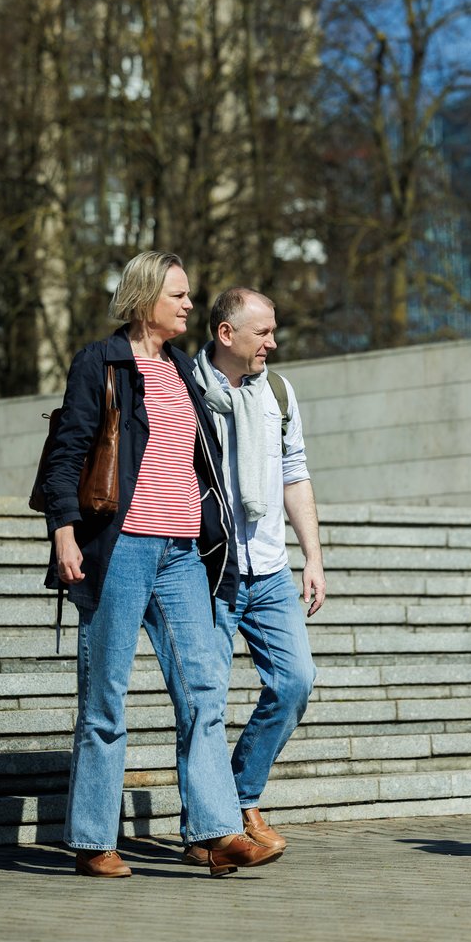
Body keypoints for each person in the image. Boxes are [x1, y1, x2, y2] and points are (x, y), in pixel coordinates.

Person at [42, 253, 285, 878]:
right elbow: (67, 453)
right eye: (178, 295)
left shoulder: (182, 370)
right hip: (118, 547)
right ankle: (93, 840)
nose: (188, 305)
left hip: (182, 554)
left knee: (203, 689)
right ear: (145, 296)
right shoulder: (102, 363)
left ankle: (215, 831)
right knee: (106, 698)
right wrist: (64, 533)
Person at [184, 285, 326, 865]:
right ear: (227, 334)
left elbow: (295, 472)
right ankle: (208, 831)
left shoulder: (278, 393)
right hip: (209, 573)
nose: (273, 342)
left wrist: (312, 556)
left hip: (268, 571)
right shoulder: (186, 389)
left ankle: (240, 798)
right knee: (204, 705)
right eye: (263, 332)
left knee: (295, 682)